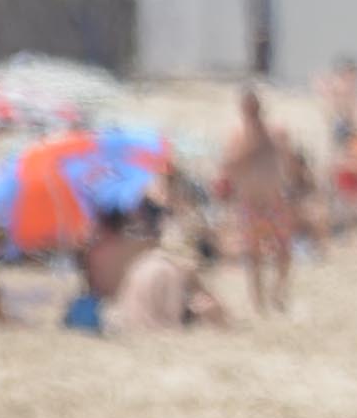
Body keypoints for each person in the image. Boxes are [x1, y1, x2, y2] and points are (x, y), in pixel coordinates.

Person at [218, 88, 294, 315]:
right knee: (253, 255)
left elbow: (289, 161)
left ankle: (278, 294)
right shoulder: (238, 134)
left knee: (283, 252)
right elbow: (229, 166)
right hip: (250, 203)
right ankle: (258, 302)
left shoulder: (276, 132)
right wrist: (252, 144)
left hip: (275, 201)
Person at [116, 216, 231, 332]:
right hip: (155, 335)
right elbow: (171, 322)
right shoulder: (170, 272)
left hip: (133, 332)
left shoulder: (142, 263)